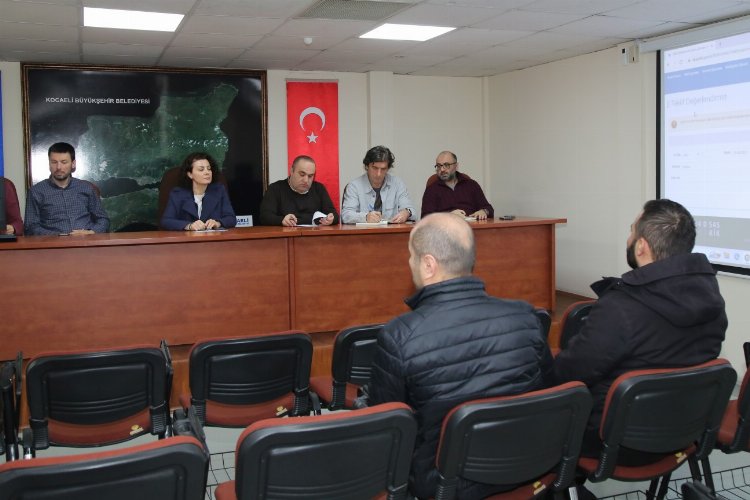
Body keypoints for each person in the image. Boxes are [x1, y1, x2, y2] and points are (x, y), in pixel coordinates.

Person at [360, 212, 552, 499]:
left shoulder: (400, 336)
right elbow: (550, 391)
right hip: (528, 464)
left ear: (428, 265)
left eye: (411, 256)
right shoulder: (526, 316)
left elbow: (386, 431)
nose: (409, 263)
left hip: (446, 483)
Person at [551, 199, 727, 462]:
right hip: (684, 432)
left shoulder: (620, 308)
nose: (628, 239)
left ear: (641, 246)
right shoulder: (712, 299)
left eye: (631, 231)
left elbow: (569, 373)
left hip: (612, 441)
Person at [25, 142, 109, 235]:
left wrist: (90, 232)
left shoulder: (86, 188)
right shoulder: (36, 191)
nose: (58, 167)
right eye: (54, 162)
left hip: (86, 240)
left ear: (73, 164)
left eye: (64, 162)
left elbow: (103, 220)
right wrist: (58, 236)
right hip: (52, 242)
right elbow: (30, 227)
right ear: (49, 164)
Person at [160, 152, 236, 231]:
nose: (207, 172)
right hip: (187, 238)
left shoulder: (219, 190)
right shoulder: (178, 194)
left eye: (209, 169)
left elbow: (231, 219)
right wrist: (189, 226)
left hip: (213, 238)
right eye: (201, 169)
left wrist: (218, 223)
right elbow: (166, 221)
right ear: (190, 174)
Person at [341, 145, 414, 224]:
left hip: (391, 230)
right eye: (375, 168)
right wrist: (365, 217)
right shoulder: (354, 186)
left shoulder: (397, 184)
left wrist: (407, 212)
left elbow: (411, 210)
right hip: (364, 231)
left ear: (388, 168)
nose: (379, 174)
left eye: (383, 169)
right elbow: (346, 215)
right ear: (367, 166)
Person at [259, 155, 338, 226]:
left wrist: (330, 219)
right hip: (286, 236)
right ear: (291, 171)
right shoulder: (275, 188)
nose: (306, 180)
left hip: (313, 235)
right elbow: (264, 217)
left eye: (310, 176)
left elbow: (334, 215)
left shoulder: (319, 189)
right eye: (302, 174)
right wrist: (281, 220)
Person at [421, 151, 494, 220]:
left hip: (472, 226)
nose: (442, 169)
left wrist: (484, 211)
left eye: (446, 165)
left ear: (456, 166)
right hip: (445, 227)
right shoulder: (431, 189)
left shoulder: (471, 185)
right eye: (439, 166)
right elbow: (425, 217)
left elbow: (489, 208)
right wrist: (449, 215)